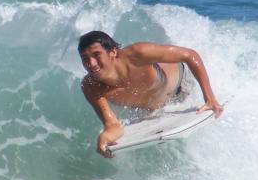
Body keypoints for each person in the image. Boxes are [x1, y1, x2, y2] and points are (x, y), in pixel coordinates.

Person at [78, 30, 223, 158]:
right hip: (156, 107)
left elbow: (190, 55)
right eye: (85, 59)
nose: (91, 63)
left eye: (97, 55)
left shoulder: (138, 54)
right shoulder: (91, 87)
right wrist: (104, 138)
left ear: (113, 52)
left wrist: (209, 98)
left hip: (182, 84)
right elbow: (113, 125)